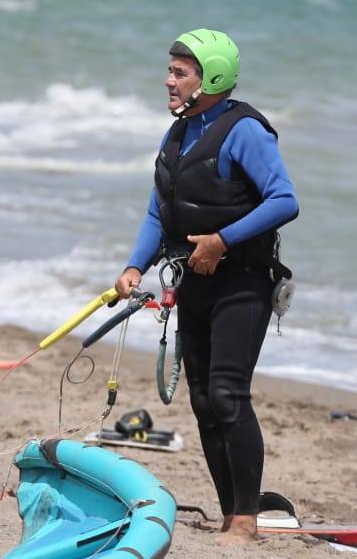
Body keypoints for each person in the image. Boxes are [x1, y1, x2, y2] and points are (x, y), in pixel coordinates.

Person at [115, 29, 299, 546]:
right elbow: (160, 210)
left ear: (210, 77)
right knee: (201, 400)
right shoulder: (177, 132)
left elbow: (284, 200)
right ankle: (229, 513)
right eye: (169, 70)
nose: (168, 80)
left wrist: (222, 240)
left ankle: (246, 520)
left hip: (241, 282)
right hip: (192, 281)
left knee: (227, 394)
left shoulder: (244, 131)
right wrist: (135, 266)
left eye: (179, 72)